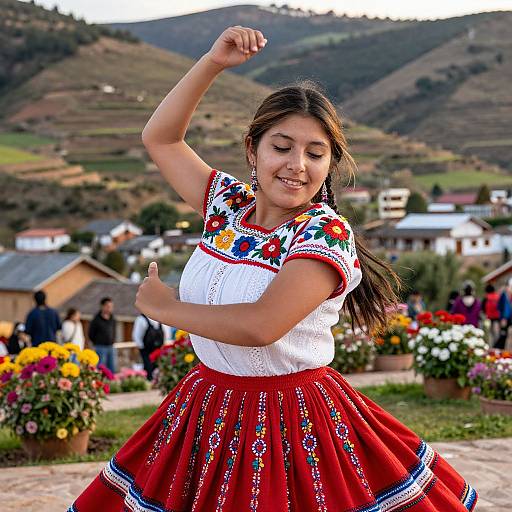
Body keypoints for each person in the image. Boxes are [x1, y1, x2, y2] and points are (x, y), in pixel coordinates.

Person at [69, 26, 477, 512]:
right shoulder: (225, 206)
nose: (297, 165)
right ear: (252, 151)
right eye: (281, 147)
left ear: (330, 164)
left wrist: (168, 309)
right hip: (207, 405)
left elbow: (261, 326)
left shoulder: (324, 234)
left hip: (293, 419)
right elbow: (160, 137)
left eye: (315, 153)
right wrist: (213, 63)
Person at [132, 313, 173, 380]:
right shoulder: (142, 319)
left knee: (157, 368)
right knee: (150, 369)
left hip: (156, 350)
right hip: (148, 350)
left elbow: (136, 336)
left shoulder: (142, 319)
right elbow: (167, 335)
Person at [88, 297, 116, 373]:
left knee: (112, 368)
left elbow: (114, 331)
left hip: (111, 346)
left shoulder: (112, 318)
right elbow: (91, 334)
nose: (110, 308)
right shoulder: (96, 319)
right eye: (108, 306)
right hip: (100, 347)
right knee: (100, 368)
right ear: (102, 306)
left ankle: (112, 383)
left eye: (111, 307)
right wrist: (97, 342)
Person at [496, 278, 512, 349]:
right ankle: (499, 349)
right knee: (503, 335)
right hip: (505, 318)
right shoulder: (504, 295)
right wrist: (503, 318)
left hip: (509, 318)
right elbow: (500, 307)